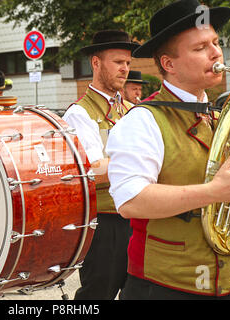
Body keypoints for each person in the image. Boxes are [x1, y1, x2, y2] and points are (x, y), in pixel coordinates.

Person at [106, 0, 230, 300]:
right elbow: (131, 201)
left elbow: (223, 197)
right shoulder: (143, 120)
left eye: (216, 42)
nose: (216, 53)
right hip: (164, 290)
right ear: (169, 64)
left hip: (229, 285)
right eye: (200, 48)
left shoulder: (217, 117)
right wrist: (215, 192)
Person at [62, 30, 139, 300]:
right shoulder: (80, 112)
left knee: (136, 292)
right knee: (97, 294)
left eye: (128, 63)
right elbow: (92, 169)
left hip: (137, 216)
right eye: (118, 62)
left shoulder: (131, 109)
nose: (125, 69)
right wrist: (138, 163)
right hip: (105, 222)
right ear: (96, 63)